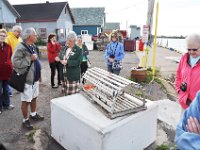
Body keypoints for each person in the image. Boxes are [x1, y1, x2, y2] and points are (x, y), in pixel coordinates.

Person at [12, 27, 44, 129]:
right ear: (29, 36)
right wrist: (29, 58)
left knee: (34, 97)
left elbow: (36, 62)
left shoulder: (33, 45)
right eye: (35, 35)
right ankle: (25, 120)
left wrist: (39, 76)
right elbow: (15, 62)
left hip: (34, 79)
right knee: (25, 101)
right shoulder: (20, 47)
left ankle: (33, 114)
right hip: (26, 80)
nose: (36, 36)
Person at [175, 33, 200, 109]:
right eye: (189, 49)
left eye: (195, 49)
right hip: (184, 103)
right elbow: (178, 74)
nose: (191, 52)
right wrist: (179, 90)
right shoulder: (184, 58)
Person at [58, 31, 82, 95]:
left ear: (74, 41)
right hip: (63, 75)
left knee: (71, 95)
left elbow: (78, 62)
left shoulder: (78, 50)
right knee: (64, 92)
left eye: (70, 41)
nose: (68, 42)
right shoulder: (64, 48)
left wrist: (67, 62)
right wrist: (60, 59)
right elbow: (60, 56)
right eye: (68, 40)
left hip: (72, 76)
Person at [0, 29, 14, 114]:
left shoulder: (8, 46)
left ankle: (7, 104)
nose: (2, 37)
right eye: (0, 35)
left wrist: (11, 65)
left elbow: (11, 57)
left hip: (7, 73)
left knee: (6, 89)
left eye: (4, 36)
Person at [5, 25, 22, 97]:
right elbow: (5, 50)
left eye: (20, 32)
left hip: (19, 60)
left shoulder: (20, 39)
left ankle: (18, 88)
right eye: (18, 32)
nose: (19, 33)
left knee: (18, 75)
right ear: (14, 31)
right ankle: (9, 91)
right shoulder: (8, 38)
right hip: (11, 60)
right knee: (10, 75)